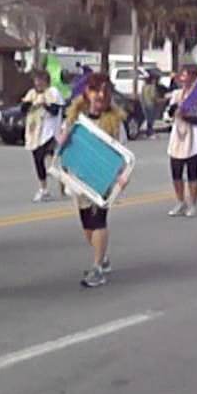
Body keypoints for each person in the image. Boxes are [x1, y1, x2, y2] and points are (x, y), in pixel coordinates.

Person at [56, 73, 129, 288]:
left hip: (103, 178)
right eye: (96, 90)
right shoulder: (75, 117)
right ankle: (102, 256)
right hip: (80, 177)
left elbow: (123, 152)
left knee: (98, 221)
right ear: (87, 93)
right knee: (87, 225)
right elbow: (62, 146)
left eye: (104, 92)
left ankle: (97, 267)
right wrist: (64, 140)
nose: (100, 95)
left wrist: (121, 177)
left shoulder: (115, 121)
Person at [165, 64, 197, 217]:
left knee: (192, 172)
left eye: (187, 75)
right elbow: (170, 112)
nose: (183, 78)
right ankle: (180, 201)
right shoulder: (177, 94)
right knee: (176, 172)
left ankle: (193, 204)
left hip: (194, 138)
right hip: (178, 136)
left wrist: (186, 116)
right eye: (182, 75)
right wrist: (175, 108)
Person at [21, 70, 63, 202]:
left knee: (50, 161)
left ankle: (63, 181)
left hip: (49, 131)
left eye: (41, 80)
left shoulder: (53, 92)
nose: (38, 83)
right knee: (38, 160)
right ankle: (44, 189)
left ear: (46, 81)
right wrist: (30, 103)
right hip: (34, 132)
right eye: (36, 80)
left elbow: (55, 111)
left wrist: (44, 103)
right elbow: (23, 109)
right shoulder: (31, 93)